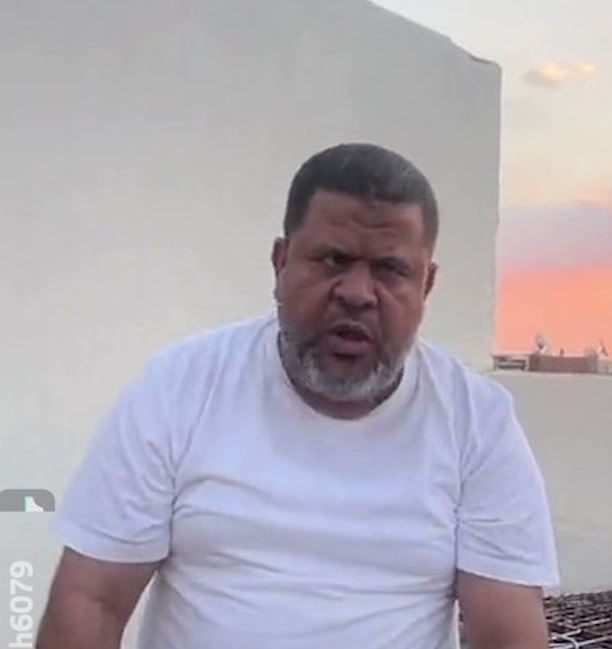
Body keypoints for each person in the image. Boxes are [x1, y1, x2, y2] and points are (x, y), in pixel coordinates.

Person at [36, 143, 559, 649]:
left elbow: (509, 637)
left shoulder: (477, 424)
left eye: (390, 270)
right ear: (280, 262)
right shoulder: (179, 387)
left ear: (426, 286)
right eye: (332, 259)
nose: (357, 293)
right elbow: (92, 602)